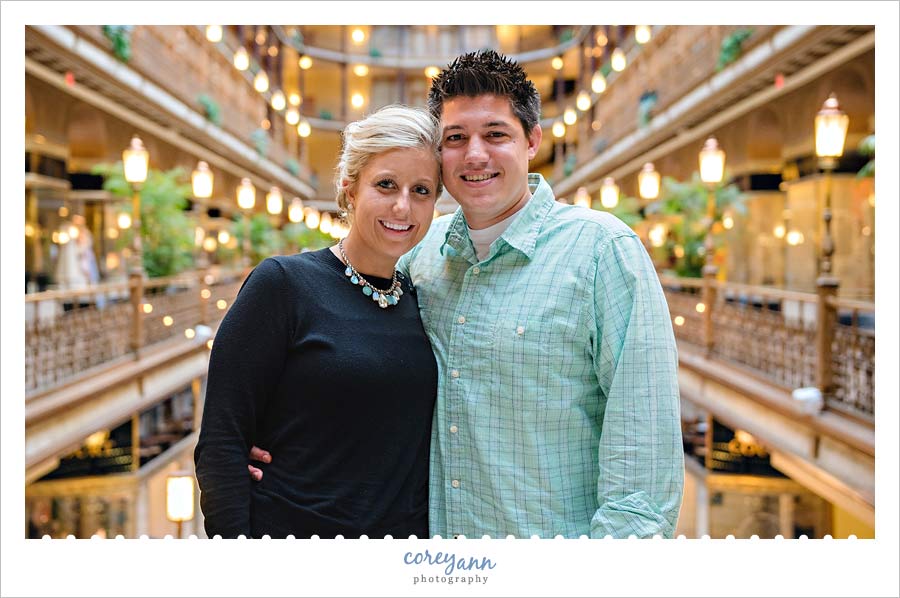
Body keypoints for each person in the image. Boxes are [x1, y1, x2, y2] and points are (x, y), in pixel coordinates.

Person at [252, 50, 684, 539]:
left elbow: (643, 463)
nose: (474, 154)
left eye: (495, 134)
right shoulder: (420, 253)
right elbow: (348, 355)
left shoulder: (603, 251)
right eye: (455, 138)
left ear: (532, 141)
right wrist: (277, 435)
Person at [194, 105, 443, 539]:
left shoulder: (424, 300)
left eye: (421, 190)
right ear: (350, 191)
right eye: (386, 184)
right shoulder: (282, 285)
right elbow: (221, 446)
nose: (403, 206)